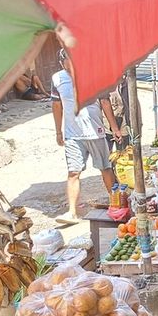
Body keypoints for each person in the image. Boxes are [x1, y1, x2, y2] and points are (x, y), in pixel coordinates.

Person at [51, 48, 119, 225]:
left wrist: (114, 126)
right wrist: (58, 131)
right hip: (72, 134)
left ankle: (115, 203)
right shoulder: (57, 79)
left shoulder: (93, 74)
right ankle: (72, 212)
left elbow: (104, 101)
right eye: (68, 63)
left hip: (94, 130)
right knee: (73, 172)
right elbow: (56, 106)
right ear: (61, 62)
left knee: (105, 167)